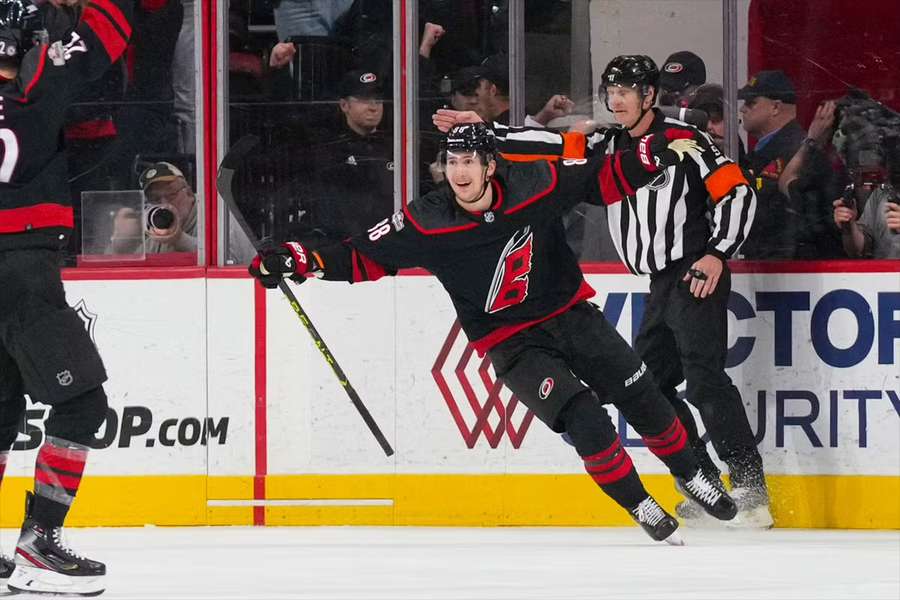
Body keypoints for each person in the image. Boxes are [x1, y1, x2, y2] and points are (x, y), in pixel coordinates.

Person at [250, 122, 738, 544]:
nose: (459, 172)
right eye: (452, 161)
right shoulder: (426, 219)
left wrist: (647, 158)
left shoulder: (537, 182)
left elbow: (602, 180)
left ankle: (692, 474)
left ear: (490, 164)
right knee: (585, 418)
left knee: (645, 397)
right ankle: (639, 504)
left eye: (469, 161)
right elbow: (362, 256)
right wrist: (300, 260)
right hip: (512, 344)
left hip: (571, 315)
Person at [441, 55, 771, 528]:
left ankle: (750, 488)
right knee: (651, 386)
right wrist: (485, 134)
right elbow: (549, 144)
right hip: (661, 281)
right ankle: (701, 481)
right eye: (611, 92)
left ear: (650, 96)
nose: (616, 101)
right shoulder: (604, 143)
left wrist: (717, 253)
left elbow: (737, 191)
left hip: (694, 273)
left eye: (626, 91)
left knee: (703, 379)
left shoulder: (683, 139)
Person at [0, 0, 132, 594]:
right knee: (83, 405)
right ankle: (38, 548)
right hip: (22, 267)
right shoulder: (43, 80)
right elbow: (112, 25)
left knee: (1, 414)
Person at [737, 69, 806, 259]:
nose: (743, 109)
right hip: (764, 264)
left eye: (751, 103)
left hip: (789, 266)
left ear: (775, 107)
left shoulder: (798, 152)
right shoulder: (761, 152)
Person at [108, 161, 198, 254]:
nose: (164, 203)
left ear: (189, 194)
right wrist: (120, 244)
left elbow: (211, 254)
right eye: (155, 199)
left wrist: (179, 239)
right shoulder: (156, 231)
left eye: (171, 194)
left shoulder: (208, 218)